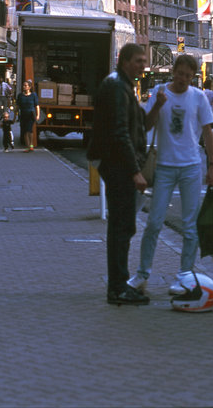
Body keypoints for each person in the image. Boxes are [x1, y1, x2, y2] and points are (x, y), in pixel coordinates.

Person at [128, 54, 213, 299]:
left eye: (189, 76)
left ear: (193, 77)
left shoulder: (198, 97)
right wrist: (157, 104)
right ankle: (142, 274)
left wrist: (212, 165)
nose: (183, 80)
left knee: (190, 226)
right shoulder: (159, 92)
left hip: (191, 167)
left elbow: (208, 132)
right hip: (165, 166)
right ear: (173, 72)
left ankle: (184, 275)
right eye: (180, 74)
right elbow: (145, 126)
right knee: (154, 223)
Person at [88, 42, 150, 306]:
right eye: (138, 60)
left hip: (117, 163)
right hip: (118, 165)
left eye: (144, 61)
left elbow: (135, 126)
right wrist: (135, 170)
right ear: (124, 60)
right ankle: (117, 287)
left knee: (123, 225)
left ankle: (119, 284)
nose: (143, 65)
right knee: (121, 226)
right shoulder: (117, 87)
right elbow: (120, 132)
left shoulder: (122, 84)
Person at [15, 79, 41, 152]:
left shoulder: (33, 95)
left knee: (29, 130)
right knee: (25, 131)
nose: (24, 87)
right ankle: (28, 146)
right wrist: (15, 117)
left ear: (29, 87)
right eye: (23, 85)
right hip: (23, 115)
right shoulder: (20, 96)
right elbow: (17, 107)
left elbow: (37, 106)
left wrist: (38, 115)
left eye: (26, 85)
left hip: (31, 115)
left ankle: (31, 145)